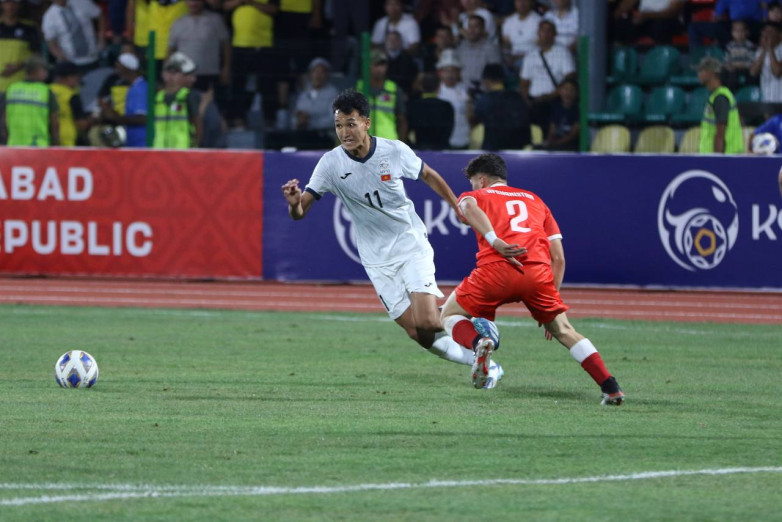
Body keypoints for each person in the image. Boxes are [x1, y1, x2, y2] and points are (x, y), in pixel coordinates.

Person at [281, 89, 498, 385]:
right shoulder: (330, 164)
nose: (344, 132)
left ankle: (476, 329)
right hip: (376, 259)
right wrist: (294, 204)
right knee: (418, 333)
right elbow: (301, 212)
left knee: (429, 321)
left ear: (366, 123)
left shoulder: (393, 151)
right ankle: (486, 364)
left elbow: (428, 175)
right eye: (339, 126)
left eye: (350, 124)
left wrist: (456, 206)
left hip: (409, 243)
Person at [440, 153, 625, 403]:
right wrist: (552, 299)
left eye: (472, 181)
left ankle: (478, 344)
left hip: (496, 271)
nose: (470, 187)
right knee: (564, 329)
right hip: (538, 274)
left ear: (481, 180)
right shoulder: (536, 200)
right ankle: (610, 387)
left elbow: (467, 208)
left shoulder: (474, 196)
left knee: (449, 315)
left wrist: (495, 240)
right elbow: (558, 258)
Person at [167, 0, 230, 96]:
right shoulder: (178, 23)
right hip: (184, 76)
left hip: (210, 74)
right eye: (190, 1)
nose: (194, 3)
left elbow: (226, 45)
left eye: (197, 1)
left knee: (209, 107)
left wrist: (226, 68)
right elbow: (171, 50)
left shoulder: (215, 20)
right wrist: (168, 73)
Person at [519, 19, 575, 127]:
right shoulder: (530, 55)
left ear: (554, 34)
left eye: (549, 31)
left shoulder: (562, 52)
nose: (545, 34)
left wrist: (552, 95)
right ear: (538, 33)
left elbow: (570, 77)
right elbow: (524, 82)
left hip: (554, 99)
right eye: (543, 31)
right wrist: (526, 100)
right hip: (533, 101)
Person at [0, 56, 59, 146]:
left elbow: (3, 119)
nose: (47, 74)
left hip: (14, 145)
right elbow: (54, 121)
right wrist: (56, 144)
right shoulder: (46, 92)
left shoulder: (11, 89)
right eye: (45, 70)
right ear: (37, 71)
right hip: (39, 146)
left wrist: (5, 140)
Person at [471, 62, 531, 150]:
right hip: (516, 147)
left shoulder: (484, 100)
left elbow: (474, 120)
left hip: (493, 148)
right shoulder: (517, 97)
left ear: (486, 81)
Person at [153, 52, 207, 149]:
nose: (171, 77)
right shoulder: (157, 97)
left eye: (175, 73)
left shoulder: (188, 96)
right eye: (169, 72)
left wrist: (195, 146)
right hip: (159, 152)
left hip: (182, 152)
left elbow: (197, 123)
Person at [356, 50, 408, 142]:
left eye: (383, 65)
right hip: (363, 144)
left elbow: (402, 120)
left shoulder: (393, 90)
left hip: (388, 142)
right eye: (376, 65)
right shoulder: (358, 89)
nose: (380, 69)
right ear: (368, 66)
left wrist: (401, 145)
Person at [98, 52, 148, 148]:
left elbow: (143, 118)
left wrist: (116, 118)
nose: (116, 70)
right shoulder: (133, 87)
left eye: (118, 66)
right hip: (133, 141)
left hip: (141, 143)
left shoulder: (140, 89)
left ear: (126, 68)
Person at [697, 56, 744, 153]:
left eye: (701, 71)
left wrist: (717, 161)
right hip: (722, 156)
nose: (698, 75)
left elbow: (720, 134)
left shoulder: (720, 98)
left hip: (726, 158)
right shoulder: (717, 96)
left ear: (711, 72)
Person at [41, 0, 104, 71]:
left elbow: (99, 15)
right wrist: (61, 57)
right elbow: (51, 43)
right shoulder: (49, 17)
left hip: (92, 57)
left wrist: (101, 40)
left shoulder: (82, 2)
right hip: (71, 63)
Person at [0, 0, 41, 93]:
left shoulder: (29, 27)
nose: (10, 6)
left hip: (20, 86)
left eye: (14, 2)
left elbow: (37, 54)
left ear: (19, 5)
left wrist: (20, 66)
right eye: (6, 2)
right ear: (2, 4)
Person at [50, 61, 93, 146]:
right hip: (66, 141)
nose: (77, 82)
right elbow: (81, 125)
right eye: (77, 78)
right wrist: (93, 120)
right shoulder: (71, 96)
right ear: (69, 77)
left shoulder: (45, 91)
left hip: (45, 137)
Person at [407, 72, 454, 149]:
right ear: (438, 87)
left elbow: (407, 129)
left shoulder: (414, 106)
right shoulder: (446, 106)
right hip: (441, 150)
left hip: (420, 149)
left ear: (421, 87)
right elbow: (449, 131)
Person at [454, 14, 501, 91]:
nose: (472, 30)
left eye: (476, 27)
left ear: (483, 29)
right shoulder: (461, 47)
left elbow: (494, 76)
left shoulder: (491, 48)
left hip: (483, 91)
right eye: (470, 26)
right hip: (462, 90)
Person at [436, 49, 471, 149]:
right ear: (440, 72)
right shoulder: (436, 91)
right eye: (446, 71)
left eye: (453, 71)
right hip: (442, 141)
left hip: (463, 139)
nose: (450, 75)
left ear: (459, 72)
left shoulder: (466, 91)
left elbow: (470, 117)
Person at [500, 0, 541, 73]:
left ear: (531, 3)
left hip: (531, 59)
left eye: (525, 1)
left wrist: (519, 57)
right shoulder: (509, 21)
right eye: (518, 1)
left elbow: (540, 47)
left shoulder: (539, 21)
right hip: (512, 58)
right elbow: (506, 44)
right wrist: (508, 58)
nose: (522, 3)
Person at [541, 76, 579, 151]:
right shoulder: (555, 108)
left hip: (570, 147)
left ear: (576, 93)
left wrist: (557, 143)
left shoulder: (577, 110)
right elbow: (552, 131)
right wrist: (550, 143)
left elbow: (573, 135)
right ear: (560, 91)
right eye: (565, 89)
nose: (568, 93)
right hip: (555, 145)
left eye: (572, 90)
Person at [750, 22, 782, 103]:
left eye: (770, 33)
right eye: (764, 33)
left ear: (780, 35)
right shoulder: (760, 51)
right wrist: (764, 50)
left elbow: (777, 72)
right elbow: (753, 72)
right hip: (766, 99)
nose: (767, 36)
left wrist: (770, 49)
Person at [722, 19, 757, 92]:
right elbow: (726, 61)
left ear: (747, 32)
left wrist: (736, 66)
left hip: (745, 70)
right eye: (736, 31)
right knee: (725, 72)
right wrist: (729, 66)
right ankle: (727, 94)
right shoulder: (730, 46)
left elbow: (751, 62)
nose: (739, 33)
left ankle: (743, 94)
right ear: (732, 33)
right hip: (732, 70)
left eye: (742, 31)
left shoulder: (750, 46)